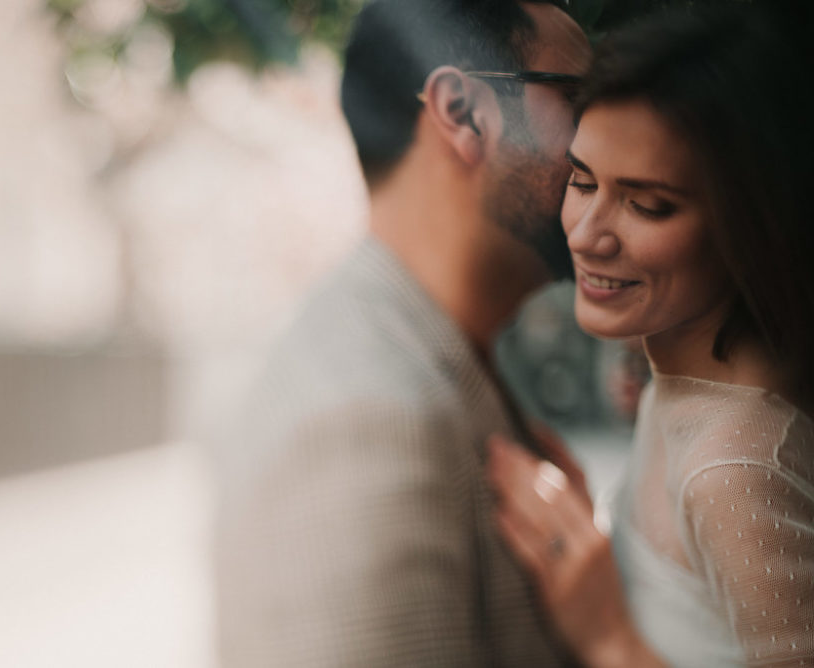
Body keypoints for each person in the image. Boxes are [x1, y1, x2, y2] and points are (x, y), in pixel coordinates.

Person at [214, 0, 590, 665]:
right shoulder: (369, 424)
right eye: (578, 100)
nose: (602, 142)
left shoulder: (421, 351)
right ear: (465, 114)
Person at [487, 5, 814, 667]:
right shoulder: (686, 383)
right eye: (582, 180)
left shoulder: (735, 473)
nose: (584, 233)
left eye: (647, 204)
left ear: (753, 221)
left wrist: (610, 637)